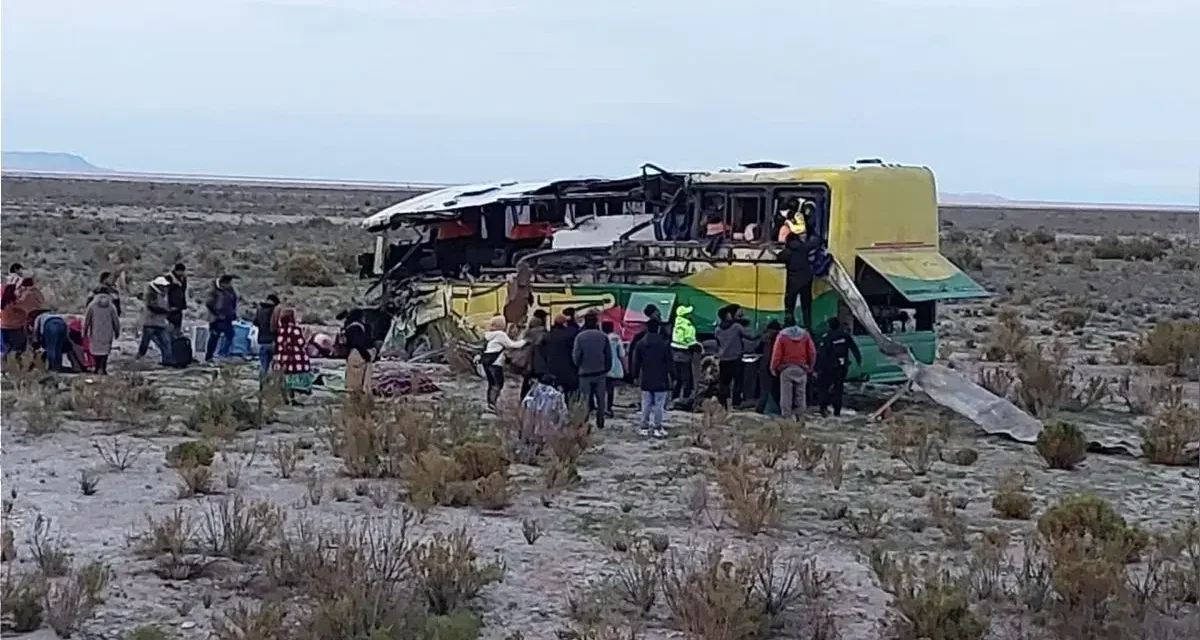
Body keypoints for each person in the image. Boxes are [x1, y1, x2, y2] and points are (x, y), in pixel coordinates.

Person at [631, 317, 672, 438]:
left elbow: (636, 362)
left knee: (646, 404)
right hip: (661, 378)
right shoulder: (664, 344)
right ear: (658, 328)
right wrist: (674, 377)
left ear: (647, 328)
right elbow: (670, 362)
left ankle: (644, 427)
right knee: (659, 405)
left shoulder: (641, 343)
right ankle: (657, 427)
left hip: (646, 378)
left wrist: (634, 376)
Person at [770, 318, 817, 420]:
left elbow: (777, 354)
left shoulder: (782, 336)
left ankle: (787, 419)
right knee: (800, 395)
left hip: (786, 369)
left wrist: (773, 367)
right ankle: (800, 417)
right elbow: (812, 352)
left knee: (786, 395)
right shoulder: (805, 335)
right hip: (801, 369)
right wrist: (810, 367)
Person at [572, 311, 612, 430]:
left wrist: (579, 366)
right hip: (600, 373)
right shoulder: (603, 336)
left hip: (584, 373)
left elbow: (576, 355)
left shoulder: (580, 337)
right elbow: (608, 355)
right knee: (600, 399)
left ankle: (584, 422)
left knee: (584, 400)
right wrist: (606, 368)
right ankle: (600, 421)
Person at [815, 317, 862, 417]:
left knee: (822, 388)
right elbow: (854, 348)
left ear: (829, 326)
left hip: (828, 368)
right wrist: (859, 360)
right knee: (838, 389)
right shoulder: (845, 335)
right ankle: (837, 412)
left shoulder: (827, 337)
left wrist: (817, 367)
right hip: (842, 367)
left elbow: (822, 353)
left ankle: (823, 409)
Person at [714, 304, 756, 409]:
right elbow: (750, 337)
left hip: (723, 359)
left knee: (724, 383)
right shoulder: (736, 327)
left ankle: (722, 403)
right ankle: (736, 403)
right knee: (738, 382)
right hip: (735, 358)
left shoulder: (718, 330)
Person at [482, 315, 526, 412]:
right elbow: (512, 345)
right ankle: (492, 405)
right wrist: (525, 341)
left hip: (487, 362)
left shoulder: (489, 335)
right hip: (496, 363)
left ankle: (490, 403)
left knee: (491, 383)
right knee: (498, 384)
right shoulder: (500, 335)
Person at [273, 308, 313, 403]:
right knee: (297, 376)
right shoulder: (295, 330)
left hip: (284, 357)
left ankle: (289, 397)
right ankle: (298, 395)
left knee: (287, 377)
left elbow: (279, 343)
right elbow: (301, 343)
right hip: (296, 357)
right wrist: (306, 337)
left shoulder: (281, 330)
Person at [779, 230, 817, 330]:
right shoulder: (803, 247)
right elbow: (814, 243)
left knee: (790, 305)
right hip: (806, 280)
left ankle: (788, 325)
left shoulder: (788, 251)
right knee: (806, 306)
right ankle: (808, 327)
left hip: (793, 283)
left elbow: (780, 257)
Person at [1, 277, 44, 357]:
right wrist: (31, 290)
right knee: (18, 351)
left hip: (4, 328)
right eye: (18, 289)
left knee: (7, 350)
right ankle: (16, 367)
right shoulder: (16, 304)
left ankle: (6, 366)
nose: (20, 290)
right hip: (16, 329)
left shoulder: (4, 303)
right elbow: (37, 303)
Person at [520, 374, 569, 441]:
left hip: (532, 422)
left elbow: (524, 403)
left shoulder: (534, 390)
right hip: (548, 427)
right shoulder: (556, 394)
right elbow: (563, 412)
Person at [138, 276, 173, 365]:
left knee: (166, 342)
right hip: (150, 322)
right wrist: (166, 311)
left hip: (160, 322)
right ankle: (138, 360)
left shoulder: (162, 295)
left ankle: (167, 361)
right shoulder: (150, 295)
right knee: (145, 344)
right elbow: (152, 307)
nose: (165, 288)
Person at [204, 275, 238, 363]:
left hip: (227, 318)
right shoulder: (214, 291)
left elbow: (233, 302)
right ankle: (209, 357)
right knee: (214, 337)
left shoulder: (231, 291)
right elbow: (209, 304)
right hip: (216, 319)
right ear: (222, 283)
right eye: (227, 283)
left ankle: (223, 354)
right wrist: (217, 314)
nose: (229, 285)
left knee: (230, 335)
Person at [83, 292, 121, 374]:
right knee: (105, 351)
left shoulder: (92, 306)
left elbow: (87, 320)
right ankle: (103, 368)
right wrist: (117, 331)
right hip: (108, 333)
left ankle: (97, 368)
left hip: (95, 332)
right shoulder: (111, 307)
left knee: (95, 351)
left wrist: (84, 332)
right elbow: (116, 321)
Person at [544, 314, 579, 397]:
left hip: (551, 369)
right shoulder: (569, 335)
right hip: (567, 369)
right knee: (569, 394)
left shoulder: (548, 336)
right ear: (564, 323)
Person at [517, 310, 549, 399]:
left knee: (526, 382)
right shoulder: (541, 332)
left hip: (527, 362)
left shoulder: (528, 331)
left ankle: (523, 401)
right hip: (537, 362)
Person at [670, 305, 699, 400]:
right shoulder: (688, 326)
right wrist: (698, 347)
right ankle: (685, 398)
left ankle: (674, 397)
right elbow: (690, 340)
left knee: (678, 379)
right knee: (686, 379)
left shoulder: (677, 324)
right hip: (684, 354)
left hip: (675, 354)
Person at [344, 308, 375, 396]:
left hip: (352, 355)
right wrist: (367, 355)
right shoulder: (357, 327)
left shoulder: (348, 326)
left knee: (353, 383)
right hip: (358, 355)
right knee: (358, 383)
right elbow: (358, 343)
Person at [755, 320, 782, 414]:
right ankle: (778, 408)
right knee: (776, 389)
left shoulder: (765, 338)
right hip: (776, 366)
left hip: (765, 364)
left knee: (764, 388)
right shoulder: (781, 338)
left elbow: (757, 349)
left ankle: (761, 408)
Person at [253, 294, 280, 378]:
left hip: (261, 341)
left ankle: (262, 384)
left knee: (263, 365)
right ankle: (271, 386)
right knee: (274, 366)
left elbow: (255, 322)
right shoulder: (275, 311)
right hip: (273, 341)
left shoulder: (259, 310)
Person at [602, 320, 625, 417]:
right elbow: (622, 354)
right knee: (611, 388)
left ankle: (601, 407)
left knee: (601, 388)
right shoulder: (616, 338)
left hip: (602, 366)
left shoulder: (601, 337)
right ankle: (609, 407)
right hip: (614, 366)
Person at [166, 263, 188, 333]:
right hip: (171, 306)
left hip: (179, 306)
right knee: (171, 326)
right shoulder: (169, 278)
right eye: (181, 271)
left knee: (178, 326)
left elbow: (183, 290)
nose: (182, 273)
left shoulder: (183, 278)